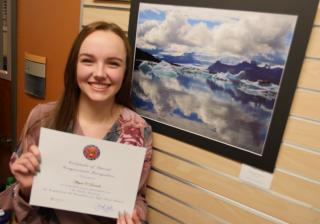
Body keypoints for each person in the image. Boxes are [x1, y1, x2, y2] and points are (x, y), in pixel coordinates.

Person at [0, 21, 152, 224]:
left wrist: (135, 216)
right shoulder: (42, 119)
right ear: (74, 65)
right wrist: (27, 190)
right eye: (88, 61)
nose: (99, 73)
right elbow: (20, 207)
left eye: (113, 63)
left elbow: (136, 196)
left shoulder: (138, 129)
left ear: (125, 71)